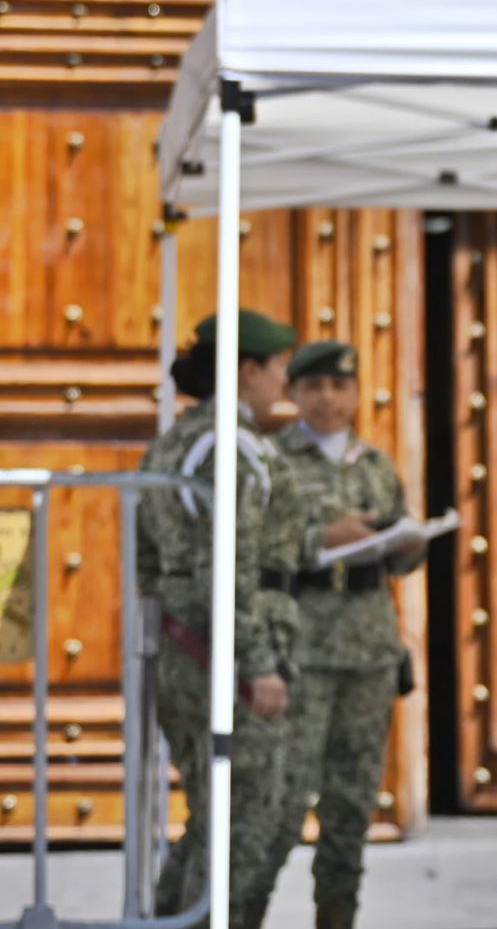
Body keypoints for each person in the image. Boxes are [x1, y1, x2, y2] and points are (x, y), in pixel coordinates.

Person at [138, 308, 305, 929]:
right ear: (246, 369)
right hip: (223, 654)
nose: (283, 384)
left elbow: (153, 562)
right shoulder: (224, 446)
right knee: (247, 821)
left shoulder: (179, 438)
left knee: (216, 817)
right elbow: (226, 566)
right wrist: (257, 663)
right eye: (279, 369)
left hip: (192, 646)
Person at [261, 340, 426, 929]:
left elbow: (401, 562)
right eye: (314, 387)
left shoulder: (376, 465)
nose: (327, 398)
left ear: (356, 394)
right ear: (295, 394)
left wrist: (408, 546)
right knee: (280, 806)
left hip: (369, 653)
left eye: (338, 386)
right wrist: (320, 540)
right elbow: (256, 547)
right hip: (303, 650)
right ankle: (241, 914)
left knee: (351, 807)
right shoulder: (272, 460)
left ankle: (336, 919)